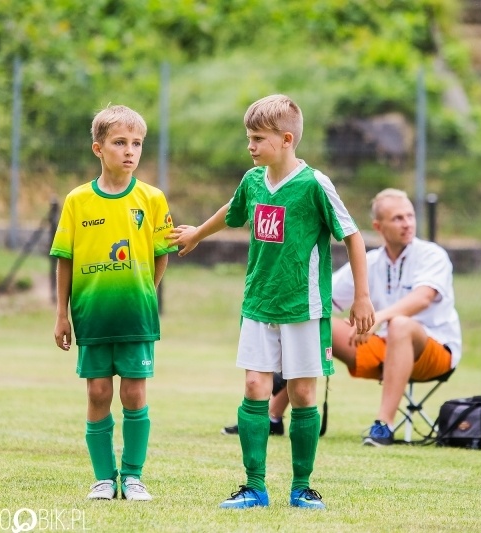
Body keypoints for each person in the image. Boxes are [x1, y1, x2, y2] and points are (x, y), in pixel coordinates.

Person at [167, 94, 375, 510]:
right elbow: (233, 211)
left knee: (301, 393)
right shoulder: (253, 179)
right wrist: (196, 234)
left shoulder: (314, 184)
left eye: (257, 138)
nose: (250, 146)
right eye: (248, 137)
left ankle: (301, 487)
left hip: (304, 306)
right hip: (259, 303)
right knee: (253, 386)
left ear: (285, 139)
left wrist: (362, 297)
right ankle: (254, 486)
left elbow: (352, 235)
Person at [51, 105, 177, 501]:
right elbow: (64, 259)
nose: (129, 151)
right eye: (120, 142)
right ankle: (104, 479)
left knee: (135, 394)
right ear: (98, 148)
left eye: (136, 143)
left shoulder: (152, 198)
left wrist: (144, 290)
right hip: (92, 317)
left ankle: (134, 476)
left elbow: (161, 254)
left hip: (136, 317)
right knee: (98, 393)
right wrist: (61, 315)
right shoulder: (77, 200)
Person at [333, 188, 462, 446]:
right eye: (398, 218)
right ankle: (274, 416)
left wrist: (375, 318)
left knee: (400, 324)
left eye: (410, 216)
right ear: (378, 226)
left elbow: (423, 298)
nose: (407, 224)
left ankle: (383, 426)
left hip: (435, 349)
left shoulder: (432, 254)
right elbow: (323, 299)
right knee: (312, 320)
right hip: (383, 348)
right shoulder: (369, 261)